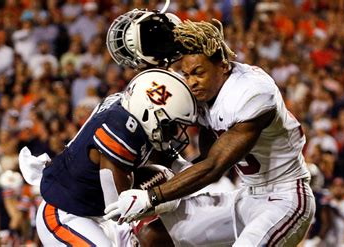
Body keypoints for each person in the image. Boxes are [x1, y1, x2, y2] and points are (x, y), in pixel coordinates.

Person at [105, 19, 315, 246]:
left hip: (285, 198)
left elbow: (214, 167)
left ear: (223, 65)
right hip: (246, 195)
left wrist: (152, 196)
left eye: (198, 73)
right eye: (187, 74)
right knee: (152, 233)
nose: (192, 82)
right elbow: (206, 156)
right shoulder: (205, 94)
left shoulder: (252, 92)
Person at [19, 68, 197, 246]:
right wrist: (159, 198)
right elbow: (119, 207)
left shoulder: (132, 110)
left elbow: (170, 162)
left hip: (96, 213)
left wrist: (183, 174)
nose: (175, 132)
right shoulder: (120, 129)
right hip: (65, 214)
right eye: (171, 125)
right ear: (149, 113)